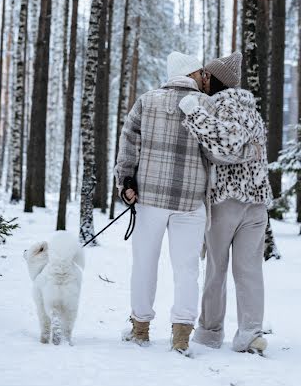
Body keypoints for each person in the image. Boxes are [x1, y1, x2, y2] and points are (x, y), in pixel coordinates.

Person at [114, 51, 209, 353]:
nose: (205, 78)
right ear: (192, 74)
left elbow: (128, 142)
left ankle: (140, 329)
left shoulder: (147, 100)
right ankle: (181, 336)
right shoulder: (207, 106)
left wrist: (126, 182)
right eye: (201, 72)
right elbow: (215, 152)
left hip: (150, 196)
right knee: (187, 269)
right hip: (191, 199)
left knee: (144, 264)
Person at [179, 51, 272, 354]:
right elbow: (249, 148)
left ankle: (209, 332)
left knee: (216, 269)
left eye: (205, 74)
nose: (202, 78)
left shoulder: (221, 104)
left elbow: (228, 143)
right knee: (249, 270)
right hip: (256, 203)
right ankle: (251, 333)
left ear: (215, 79)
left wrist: (194, 113)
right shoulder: (251, 109)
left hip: (227, 200)